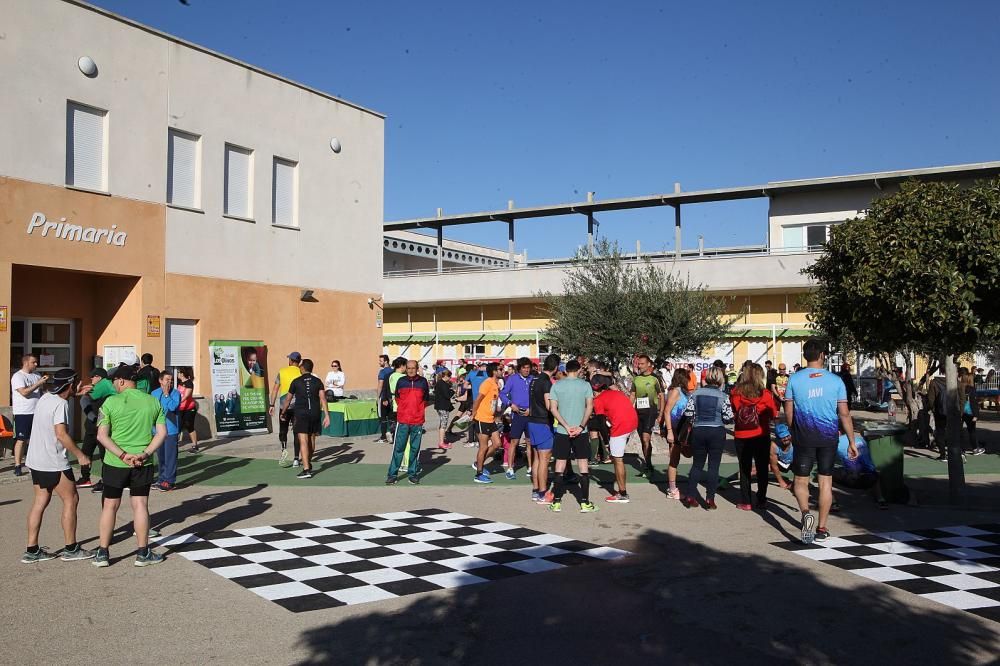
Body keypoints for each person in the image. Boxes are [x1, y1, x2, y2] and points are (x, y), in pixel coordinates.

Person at [93, 362, 168, 567]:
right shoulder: (153, 402)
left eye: (115, 381)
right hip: (142, 463)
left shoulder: (109, 403)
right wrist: (145, 454)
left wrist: (122, 455)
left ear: (122, 381)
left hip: (115, 462)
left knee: (110, 505)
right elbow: (162, 433)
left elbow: (102, 435)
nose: (114, 385)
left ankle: (102, 553)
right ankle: (143, 553)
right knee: (140, 505)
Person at [784, 338, 857, 544]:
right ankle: (822, 528)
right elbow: (844, 414)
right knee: (825, 481)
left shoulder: (794, 379)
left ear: (805, 356)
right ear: (823, 355)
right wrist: (851, 440)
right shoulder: (836, 381)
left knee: (800, 480)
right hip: (828, 437)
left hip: (803, 435)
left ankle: (806, 512)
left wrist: (793, 429)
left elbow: (788, 410)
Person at [22, 369, 95, 563]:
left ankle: (32, 550)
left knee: (40, 501)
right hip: (53, 462)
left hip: (35, 460)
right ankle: (71, 548)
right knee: (71, 499)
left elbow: (59, 401)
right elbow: (61, 434)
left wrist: (76, 394)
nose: (80, 385)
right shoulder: (61, 404)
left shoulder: (46, 398)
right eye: (77, 383)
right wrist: (80, 455)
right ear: (70, 385)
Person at [682, 366, 734, 510]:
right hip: (716, 431)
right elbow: (728, 417)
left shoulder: (696, 393)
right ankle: (710, 498)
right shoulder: (723, 396)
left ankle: (691, 495)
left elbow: (688, 413)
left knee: (697, 464)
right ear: (720, 379)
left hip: (698, 430)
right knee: (713, 466)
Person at [548, 360, 596, 512]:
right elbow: (590, 407)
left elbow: (553, 409)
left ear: (566, 370)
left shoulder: (557, 385)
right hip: (580, 431)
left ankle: (556, 502)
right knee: (583, 465)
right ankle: (585, 502)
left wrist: (566, 426)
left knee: (560, 465)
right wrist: (581, 426)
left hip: (563, 430)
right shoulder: (585, 385)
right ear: (579, 369)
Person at [729, 363, 778, 511]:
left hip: (742, 434)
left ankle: (746, 501)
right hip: (761, 434)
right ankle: (761, 499)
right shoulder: (766, 394)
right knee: (762, 467)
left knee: (744, 468)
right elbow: (773, 414)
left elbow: (733, 410)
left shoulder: (736, 392)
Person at [592, 374, 638, 503]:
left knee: (618, 460)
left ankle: (622, 493)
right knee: (617, 456)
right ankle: (622, 490)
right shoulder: (616, 392)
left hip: (620, 427)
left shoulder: (598, 400)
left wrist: (606, 443)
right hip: (633, 422)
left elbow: (600, 422)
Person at [281, 359, 330, 480]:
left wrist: (283, 411)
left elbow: (288, 399)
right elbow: (323, 398)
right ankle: (308, 462)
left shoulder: (296, 381)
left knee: (303, 440)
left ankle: (306, 469)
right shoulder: (317, 381)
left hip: (301, 414)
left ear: (302, 368)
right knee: (312, 439)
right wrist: (327, 415)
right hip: (315, 413)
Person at [386, 360, 430, 485]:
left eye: (413, 368)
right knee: (399, 448)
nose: (410, 370)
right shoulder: (401, 381)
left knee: (415, 449)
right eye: (408, 368)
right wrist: (405, 410)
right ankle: (392, 475)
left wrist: (417, 410)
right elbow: (397, 398)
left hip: (417, 421)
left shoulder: (423, 382)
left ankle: (412, 474)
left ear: (417, 368)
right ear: (405, 368)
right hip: (403, 420)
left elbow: (425, 399)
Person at [77, 367, 116, 492]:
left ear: (99, 377)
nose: (91, 379)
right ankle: (85, 478)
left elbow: (82, 396)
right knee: (85, 452)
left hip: (101, 428)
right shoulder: (101, 386)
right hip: (92, 428)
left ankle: (106, 481)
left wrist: (75, 392)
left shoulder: (104, 384)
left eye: (93, 377)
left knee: (105, 456)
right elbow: (85, 396)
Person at [527, 355, 558, 503]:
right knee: (544, 459)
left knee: (537, 458)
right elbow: (548, 405)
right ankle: (543, 493)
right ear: (556, 368)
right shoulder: (546, 383)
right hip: (543, 423)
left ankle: (536, 489)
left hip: (532, 422)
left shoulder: (533, 380)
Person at [10, 354, 48, 477]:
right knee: (21, 439)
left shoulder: (36, 376)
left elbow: (41, 392)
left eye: (36, 362)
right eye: (34, 362)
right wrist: (38, 383)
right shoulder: (18, 376)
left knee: (34, 440)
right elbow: (24, 392)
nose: (36, 364)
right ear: (26, 363)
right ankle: (17, 465)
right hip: (23, 413)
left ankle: (32, 464)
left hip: (37, 412)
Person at [499, 357, 534, 480]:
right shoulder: (513, 379)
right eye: (524, 368)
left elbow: (537, 397)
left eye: (528, 368)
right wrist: (510, 404)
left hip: (530, 415)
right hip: (517, 414)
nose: (526, 370)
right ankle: (510, 468)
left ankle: (530, 468)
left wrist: (532, 408)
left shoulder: (533, 380)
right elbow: (502, 393)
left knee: (530, 442)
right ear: (519, 368)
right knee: (514, 442)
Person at [629, 355, 663, 480]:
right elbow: (633, 395)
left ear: (649, 364)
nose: (640, 366)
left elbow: (661, 396)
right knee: (643, 441)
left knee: (645, 437)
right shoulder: (636, 379)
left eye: (642, 364)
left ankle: (648, 466)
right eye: (638, 364)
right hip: (639, 412)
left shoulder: (655, 378)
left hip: (651, 412)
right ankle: (648, 465)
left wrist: (660, 413)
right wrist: (628, 409)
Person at [833, 430, 886, 508]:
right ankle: (881, 499)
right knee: (871, 468)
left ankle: (832, 502)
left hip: (853, 480)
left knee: (825, 474)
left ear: (838, 432)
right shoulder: (860, 439)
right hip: (872, 479)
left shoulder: (835, 443)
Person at [662, 368, 691, 500]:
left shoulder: (684, 392)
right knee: (674, 459)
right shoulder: (675, 391)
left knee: (687, 453)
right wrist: (669, 431)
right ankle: (672, 490)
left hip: (683, 428)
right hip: (674, 428)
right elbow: (667, 411)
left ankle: (674, 487)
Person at [269, 352, 303, 465]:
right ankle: (296, 458)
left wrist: (272, 405)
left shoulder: (282, 371)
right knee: (297, 432)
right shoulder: (302, 372)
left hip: (285, 406)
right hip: (298, 406)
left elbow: (275, 389)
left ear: (291, 361)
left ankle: (284, 450)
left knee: (283, 430)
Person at [471, 363, 503, 484]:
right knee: (483, 447)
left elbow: (492, 402)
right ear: (494, 371)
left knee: (497, 444)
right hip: (482, 419)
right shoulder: (487, 383)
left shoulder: (495, 384)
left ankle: (478, 463)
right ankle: (478, 474)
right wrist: (473, 414)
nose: (502, 371)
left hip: (491, 419)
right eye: (500, 369)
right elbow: (478, 399)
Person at [151, 371, 181, 491]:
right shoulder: (154, 393)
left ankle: (170, 481)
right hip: (158, 431)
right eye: (167, 379)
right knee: (161, 457)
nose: (169, 382)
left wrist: (167, 395)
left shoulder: (175, 393)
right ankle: (161, 479)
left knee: (170, 457)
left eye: (171, 380)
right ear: (160, 380)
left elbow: (173, 407)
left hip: (171, 430)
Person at [959, 371, 986, 456]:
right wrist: (976, 415)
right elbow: (974, 403)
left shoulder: (958, 388)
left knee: (959, 431)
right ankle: (975, 449)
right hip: (969, 413)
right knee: (972, 431)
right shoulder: (971, 389)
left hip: (959, 411)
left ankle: (960, 450)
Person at [176, 367, 200, 454]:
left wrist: (176, 402)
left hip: (189, 409)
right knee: (177, 427)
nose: (177, 373)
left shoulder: (189, 383)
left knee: (189, 426)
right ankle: (174, 445)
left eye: (179, 372)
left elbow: (185, 397)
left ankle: (195, 446)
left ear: (182, 374)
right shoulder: (179, 382)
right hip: (180, 409)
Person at [433, 369, 455, 450]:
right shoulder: (443, 384)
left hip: (440, 406)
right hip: (443, 406)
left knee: (442, 424)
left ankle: (441, 441)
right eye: (449, 376)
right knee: (443, 425)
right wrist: (452, 391)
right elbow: (447, 395)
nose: (450, 378)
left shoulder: (440, 383)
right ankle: (441, 442)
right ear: (445, 376)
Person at [374, 355, 393, 443]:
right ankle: (391, 434)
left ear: (386, 361)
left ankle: (383, 437)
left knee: (382, 417)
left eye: (381, 361)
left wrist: (378, 397)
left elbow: (380, 385)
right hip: (391, 397)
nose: (379, 362)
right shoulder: (393, 371)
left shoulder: (382, 372)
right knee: (391, 416)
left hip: (383, 397)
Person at [771, 422, 794, 491]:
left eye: (787, 436)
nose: (786, 439)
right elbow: (774, 465)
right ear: (777, 438)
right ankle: (743, 475)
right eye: (783, 437)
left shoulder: (795, 441)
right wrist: (781, 482)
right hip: (781, 463)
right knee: (763, 468)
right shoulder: (773, 446)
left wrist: (795, 483)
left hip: (794, 463)